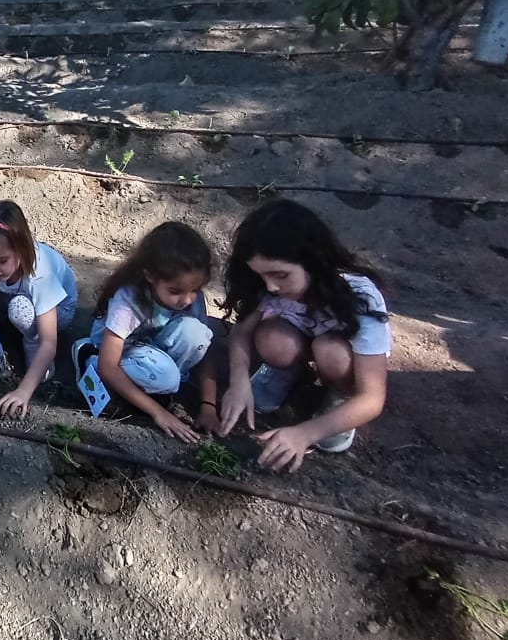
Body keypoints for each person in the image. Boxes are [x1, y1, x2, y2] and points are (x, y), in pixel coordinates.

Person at [215, 199, 390, 472]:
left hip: (341, 352)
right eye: (261, 276)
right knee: (273, 340)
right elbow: (242, 331)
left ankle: (341, 394)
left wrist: (305, 433)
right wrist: (239, 382)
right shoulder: (267, 284)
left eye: (281, 275)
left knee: (331, 353)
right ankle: (289, 372)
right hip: (300, 337)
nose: (271, 287)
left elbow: (373, 398)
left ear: (312, 260)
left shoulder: (358, 296)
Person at [69, 222, 213, 443]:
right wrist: (159, 413)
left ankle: (155, 389)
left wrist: (208, 406)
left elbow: (204, 352)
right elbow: (109, 366)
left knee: (196, 334)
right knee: (166, 376)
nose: (186, 300)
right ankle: (87, 356)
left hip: (153, 353)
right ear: (150, 276)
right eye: (175, 291)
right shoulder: (129, 299)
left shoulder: (190, 298)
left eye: (194, 290)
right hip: (116, 351)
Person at [0, 200, 77, 418]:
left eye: (1, 261)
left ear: (22, 249)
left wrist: (23, 391)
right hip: (13, 295)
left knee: (20, 308)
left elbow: (50, 342)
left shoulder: (41, 275)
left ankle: (32, 341)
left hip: (56, 312)